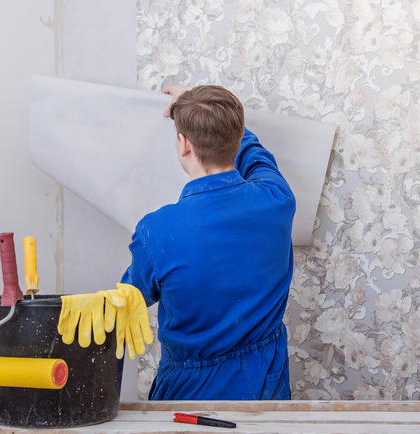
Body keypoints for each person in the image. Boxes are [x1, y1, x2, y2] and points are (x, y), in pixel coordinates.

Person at [120, 84, 295, 400]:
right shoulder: (277, 199)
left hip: (194, 393)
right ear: (238, 138)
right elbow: (256, 157)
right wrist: (217, 118)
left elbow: (127, 299)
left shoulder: (157, 231)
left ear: (184, 144)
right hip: (267, 386)